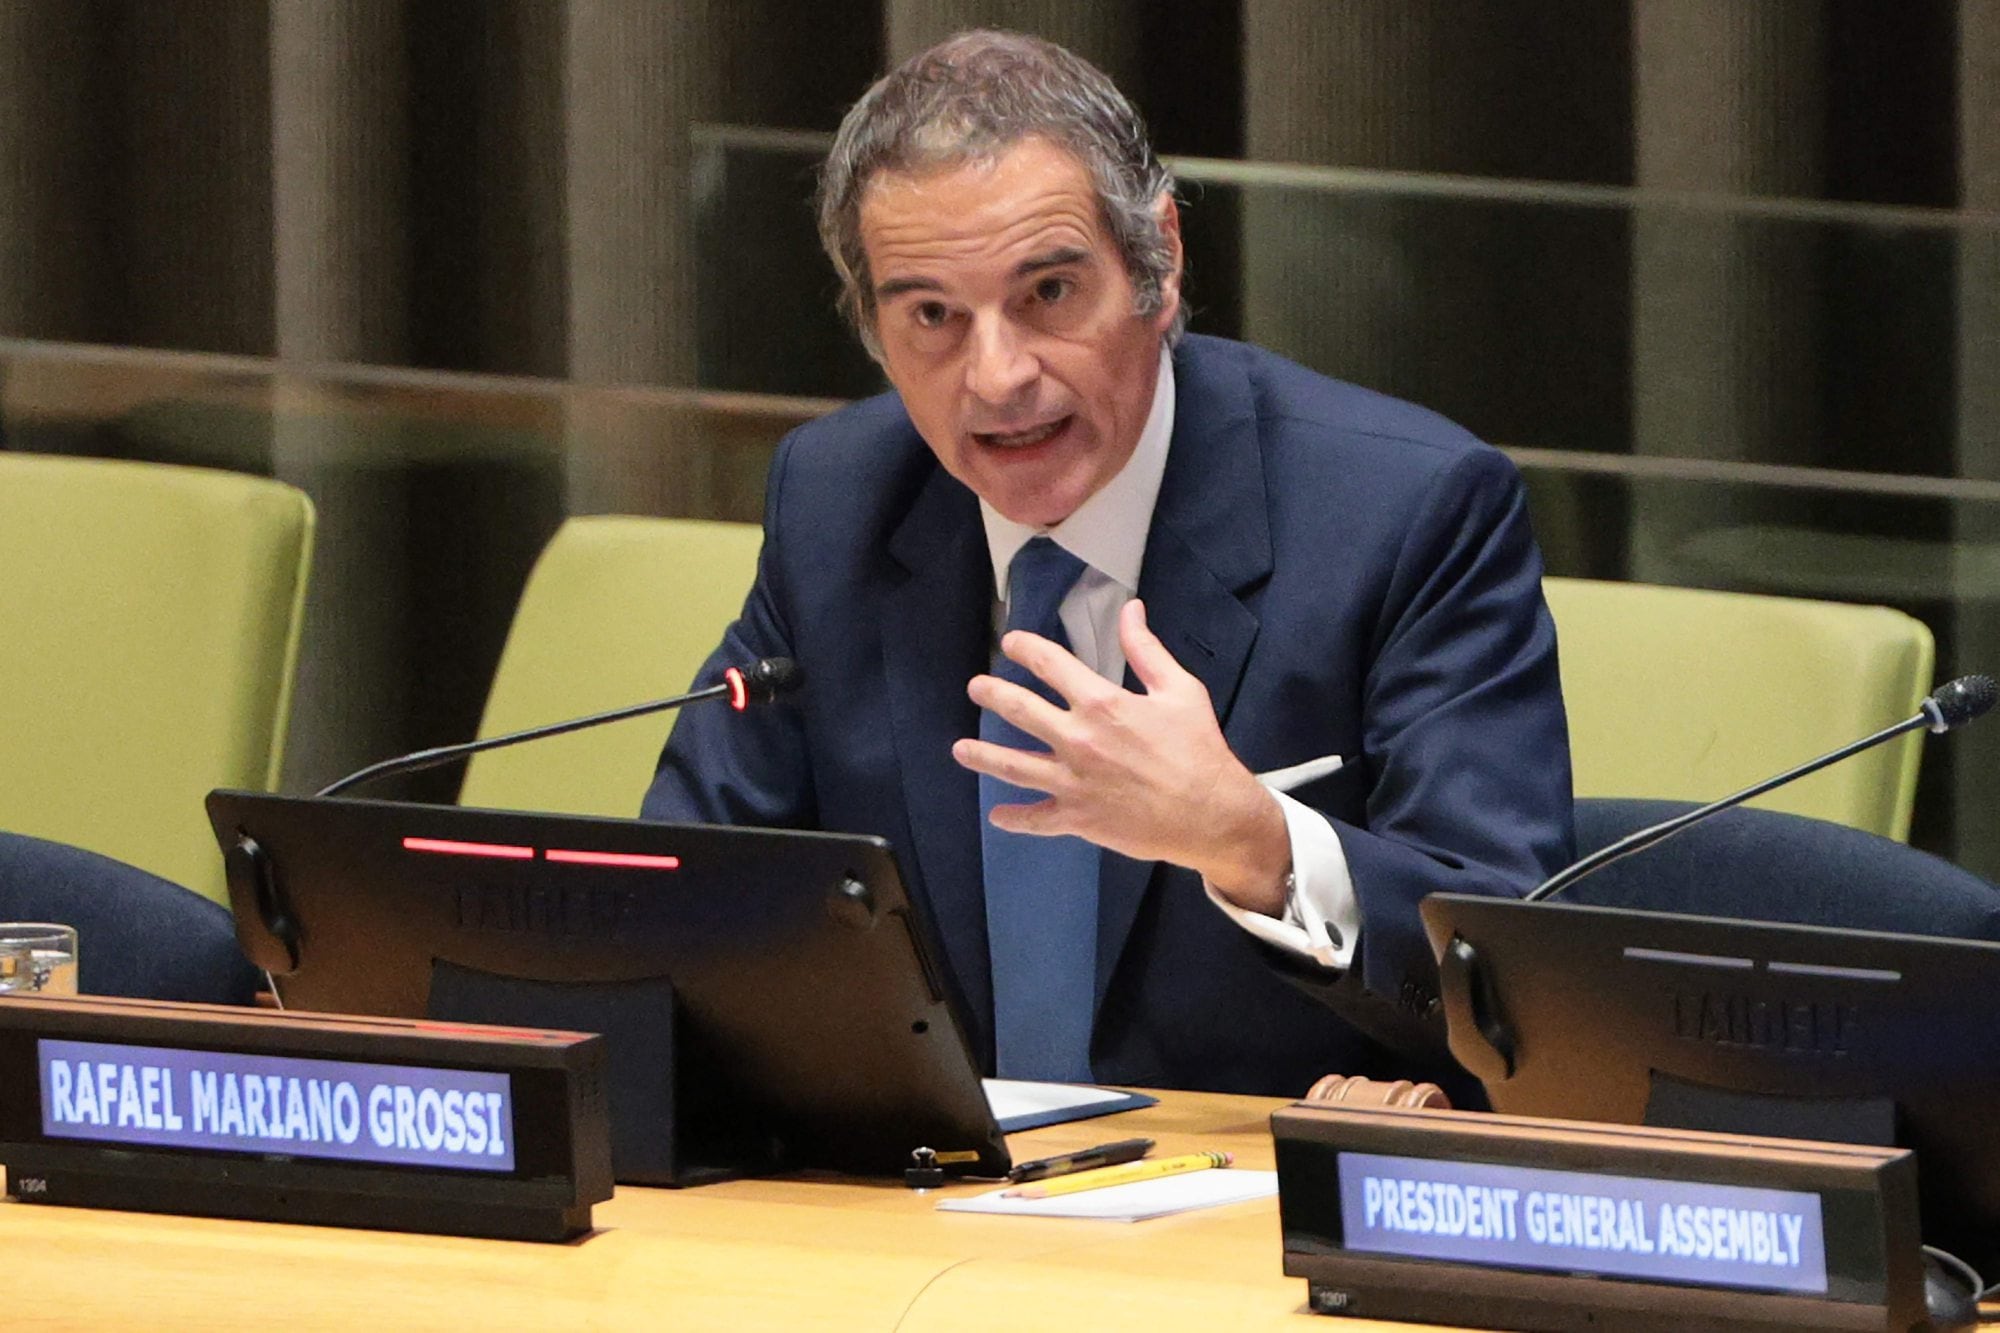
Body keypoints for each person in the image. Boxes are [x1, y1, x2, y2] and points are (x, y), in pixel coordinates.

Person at [643, 30, 1572, 1099]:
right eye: (933, 316)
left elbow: (1512, 974)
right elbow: (684, 899)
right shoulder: (837, 499)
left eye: (1046, 293)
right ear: (871, 326)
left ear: (1157, 262)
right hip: (930, 1217)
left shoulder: (1405, 512)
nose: (996, 377)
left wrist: (1253, 841)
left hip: (1245, 1219)